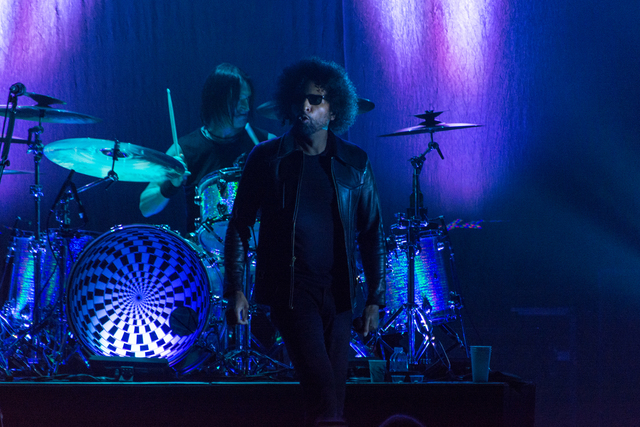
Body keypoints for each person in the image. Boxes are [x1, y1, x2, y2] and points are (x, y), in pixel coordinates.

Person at [224, 57, 386, 426]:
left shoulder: (355, 162)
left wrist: (375, 299)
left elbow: (372, 231)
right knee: (325, 398)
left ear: (335, 110)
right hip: (292, 294)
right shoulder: (267, 159)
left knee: (331, 404)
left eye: (315, 99)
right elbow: (239, 225)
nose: (305, 107)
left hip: (340, 295)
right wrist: (235, 289)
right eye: (299, 99)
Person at [139, 63, 275, 236]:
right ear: (217, 100)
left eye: (247, 99)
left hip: (258, 245)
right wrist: (171, 185)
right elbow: (146, 208)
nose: (246, 107)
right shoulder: (185, 150)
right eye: (239, 100)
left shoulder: (265, 143)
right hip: (204, 250)